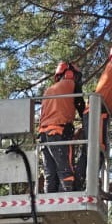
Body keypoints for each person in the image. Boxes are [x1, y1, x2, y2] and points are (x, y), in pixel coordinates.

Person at [37, 59, 86, 192]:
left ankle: (49, 201)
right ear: (70, 74)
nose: (77, 79)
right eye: (76, 76)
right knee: (65, 170)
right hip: (58, 132)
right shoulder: (71, 85)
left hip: (43, 135)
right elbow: (81, 106)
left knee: (50, 173)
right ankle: (68, 196)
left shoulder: (49, 90)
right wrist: (88, 120)